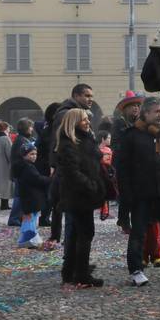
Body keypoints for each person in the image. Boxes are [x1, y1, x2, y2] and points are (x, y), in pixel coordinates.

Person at [116, 97, 160, 287]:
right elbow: (123, 169)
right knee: (138, 233)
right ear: (145, 113)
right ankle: (136, 269)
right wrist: (127, 194)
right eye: (156, 111)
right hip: (142, 193)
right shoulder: (131, 135)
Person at [55, 108, 107, 287]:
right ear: (74, 122)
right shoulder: (69, 143)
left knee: (77, 234)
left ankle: (70, 271)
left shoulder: (83, 139)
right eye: (84, 119)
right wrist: (91, 185)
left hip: (82, 194)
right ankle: (81, 274)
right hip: (78, 195)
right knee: (85, 234)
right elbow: (72, 172)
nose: (88, 122)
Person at [49, 84, 95, 170]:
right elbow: (58, 142)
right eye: (87, 96)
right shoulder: (66, 114)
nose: (91, 99)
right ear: (76, 96)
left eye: (92, 96)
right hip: (71, 168)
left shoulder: (81, 113)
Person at [14, 142, 50, 249]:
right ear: (24, 155)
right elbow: (37, 179)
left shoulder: (24, 166)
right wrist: (49, 180)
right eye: (31, 154)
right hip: (31, 197)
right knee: (30, 218)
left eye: (35, 154)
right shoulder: (28, 167)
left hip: (28, 196)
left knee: (30, 217)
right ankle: (28, 238)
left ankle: (28, 238)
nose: (34, 156)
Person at [7, 118, 35, 226]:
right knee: (19, 196)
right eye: (30, 127)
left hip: (19, 171)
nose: (32, 129)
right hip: (21, 172)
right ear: (26, 128)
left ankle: (18, 217)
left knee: (20, 196)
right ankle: (14, 218)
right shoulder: (22, 140)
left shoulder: (21, 139)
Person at [35, 103, 60, 230]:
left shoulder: (45, 128)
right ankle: (45, 217)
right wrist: (52, 164)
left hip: (44, 164)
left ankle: (45, 216)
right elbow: (50, 148)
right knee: (49, 193)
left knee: (48, 192)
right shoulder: (51, 130)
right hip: (47, 165)